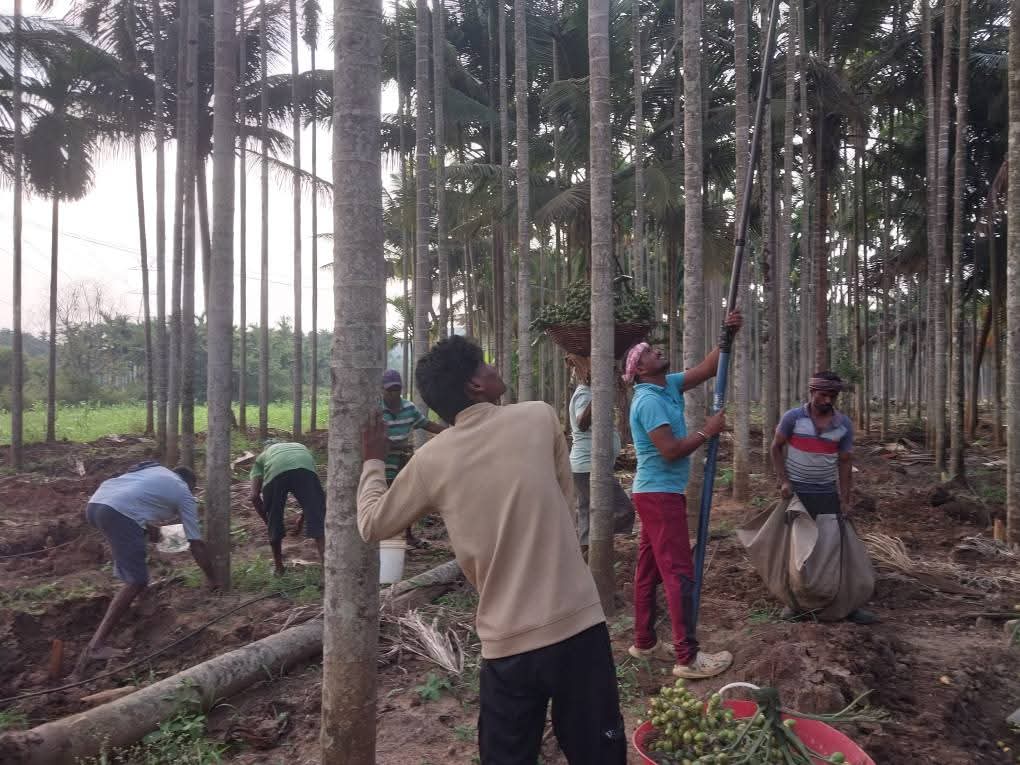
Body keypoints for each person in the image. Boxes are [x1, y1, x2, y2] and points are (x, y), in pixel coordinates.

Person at [359, 336, 626, 765]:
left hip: (507, 645)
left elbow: (372, 523)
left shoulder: (432, 461)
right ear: (474, 386)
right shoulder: (538, 418)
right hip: (578, 625)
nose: (492, 367)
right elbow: (563, 499)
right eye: (483, 364)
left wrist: (372, 461)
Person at [622, 310, 742, 680]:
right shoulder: (648, 401)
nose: (658, 352)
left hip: (657, 493)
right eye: (649, 353)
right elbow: (670, 450)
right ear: (640, 370)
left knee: (649, 571)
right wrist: (706, 432)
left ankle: (643, 641)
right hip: (659, 495)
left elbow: (707, 369)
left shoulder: (667, 385)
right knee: (678, 573)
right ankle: (687, 658)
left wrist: (727, 334)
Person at [77, 462, 217, 672]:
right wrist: (213, 579)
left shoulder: (155, 469)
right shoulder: (184, 493)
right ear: (190, 485)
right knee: (137, 581)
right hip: (119, 513)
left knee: (132, 554)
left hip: (96, 504)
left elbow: (133, 496)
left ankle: (139, 599)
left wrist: (160, 534)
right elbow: (196, 543)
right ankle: (96, 646)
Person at [769, 371, 875, 624]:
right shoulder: (793, 418)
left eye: (832, 395)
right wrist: (784, 481)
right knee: (797, 553)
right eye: (823, 394)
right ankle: (794, 605)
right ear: (812, 392)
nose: (827, 400)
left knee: (833, 551)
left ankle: (845, 605)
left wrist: (845, 499)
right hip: (797, 495)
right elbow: (775, 447)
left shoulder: (843, 425)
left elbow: (845, 462)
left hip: (827, 493)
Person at [564, 353, 634, 557]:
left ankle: (584, 557)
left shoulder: (588, 393)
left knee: (586, 513)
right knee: (623, 509)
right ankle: (597, 544)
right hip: (588, 467)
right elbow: (581, 422)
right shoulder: (585, 393)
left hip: (583, 467)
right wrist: (600, 395)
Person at [381, 368, 446, 548]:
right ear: (381, 389)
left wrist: (452, 431)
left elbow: (426, 424)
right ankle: (379, 536)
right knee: (382, 498)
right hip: (379, 462)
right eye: (389, 390)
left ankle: (407, 534)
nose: (393, 394)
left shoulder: (409, 408)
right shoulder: (376, 408)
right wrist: (398, 446)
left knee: (406, 497)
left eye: (396, 389)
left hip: (401, 461)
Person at [249, 441, 326, 575]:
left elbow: (254, 496)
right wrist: (302, 520)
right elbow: (311, 501)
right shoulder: (301, 447)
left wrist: (269, 522)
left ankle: (279, 569)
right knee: (318, 521)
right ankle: (327, 571)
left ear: (266, 448)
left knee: (275, 520)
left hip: (275, 474)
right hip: (305, 469)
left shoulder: (263, 456)